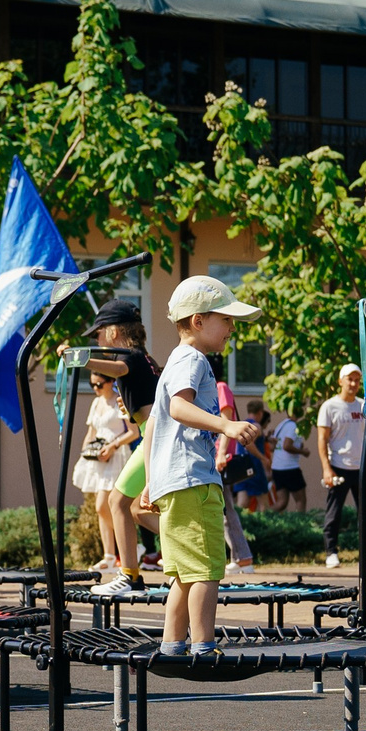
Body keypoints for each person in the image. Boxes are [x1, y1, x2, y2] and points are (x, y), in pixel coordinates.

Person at [142, 275, 263, 660]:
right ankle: (203, 645)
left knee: (182, 574)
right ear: (197, 321)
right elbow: (178, 409)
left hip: (174, 480)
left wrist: (150, 481)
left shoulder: (177, 362)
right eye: (225, 319)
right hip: (193, 478)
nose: (231, 328)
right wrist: (226, 424)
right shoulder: (192, 360)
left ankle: (172, 645)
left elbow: (153, 426)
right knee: (209, 569)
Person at [86, 299, 162, 590]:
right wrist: (128, 405)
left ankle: (129, 576)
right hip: (151, 435)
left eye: (99, 334)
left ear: (115, 332)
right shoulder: (145, 358)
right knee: (134, 509)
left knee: (119, 503)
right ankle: (171, 550)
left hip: (154, 440)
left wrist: (80, 359)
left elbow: (118, 369)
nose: (97, 340)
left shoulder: (128, 358)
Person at [72, 367, 141, 597]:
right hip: (98, 457)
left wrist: (113, 445)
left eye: (99, 384)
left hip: (116, 456)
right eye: (92, 385)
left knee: (106, 504)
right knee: (100, 508)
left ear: (110, 382)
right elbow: (91, 431)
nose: (95, 389)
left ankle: (128, 548)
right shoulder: (96, 403)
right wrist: (85, 451)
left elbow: (133, 432)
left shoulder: (118, 401)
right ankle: (110, 556)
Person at [315, 364, 366, 568]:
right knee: (334, 512)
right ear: (340, 381)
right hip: (338, 467)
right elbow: (322, 439)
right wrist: (326, 468)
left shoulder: (364, 405)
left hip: (361, 468)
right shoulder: (329, 406)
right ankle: (331, 553)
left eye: (357, 380)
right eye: (349, 379)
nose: (353, 384)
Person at [268, 405, 308, 510]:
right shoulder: (293, 426)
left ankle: (263, 518)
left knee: (282, 502)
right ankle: (300, 525)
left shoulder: (282, 425)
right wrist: (303, 452)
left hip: (277, 468)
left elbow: (274, 447)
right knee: (301, 500)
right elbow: (287, 445)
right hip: (290, 468)